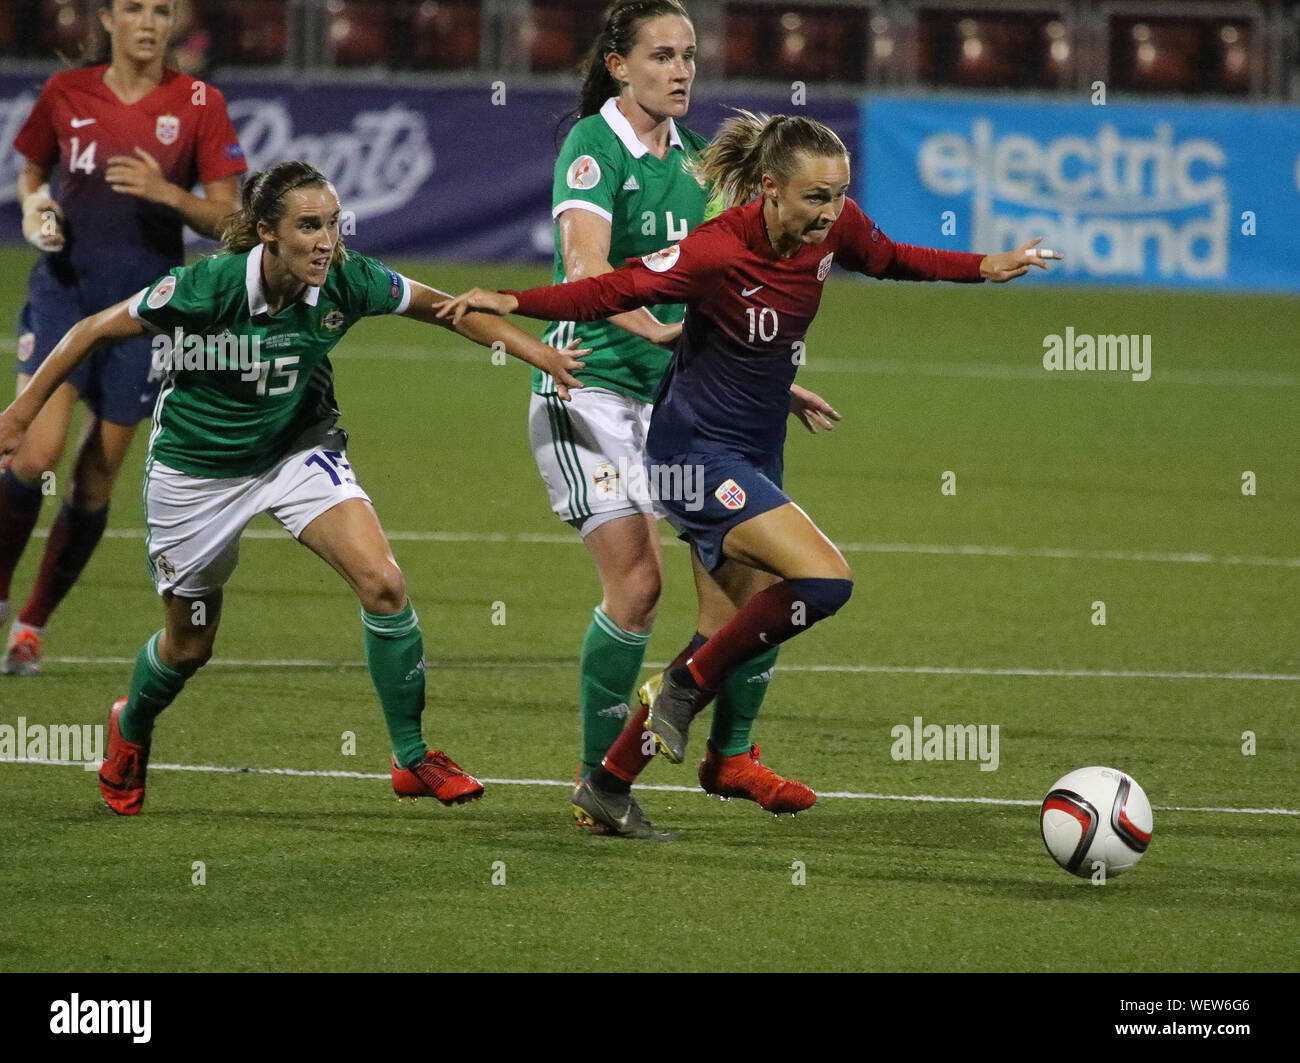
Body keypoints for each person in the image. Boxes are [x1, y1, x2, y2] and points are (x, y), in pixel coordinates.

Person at [437, 111, 1062, 837]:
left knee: (722, 629)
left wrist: (982, 266)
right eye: (814, 198)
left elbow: (888, 255)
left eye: (839, 195)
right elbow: (614, 288)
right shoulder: (717, 247)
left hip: (754, 449)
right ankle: (682, 689)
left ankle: (608, 784)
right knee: (826, 580)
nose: (830, 214)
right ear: (768, 189)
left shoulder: (837, 228)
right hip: (691, 456)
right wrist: (514, 300)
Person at [0, 160, 588, 815]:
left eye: (333, 224)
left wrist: (537, 353)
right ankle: (131, 723)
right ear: (266, 235)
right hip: (197, 474)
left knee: (384, 584)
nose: (326, 241)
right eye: (309, 226)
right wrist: (20, 414)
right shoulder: (206, 287)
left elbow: (447, 310)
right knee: (190, 644)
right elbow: (89, 330)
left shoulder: (346, 278)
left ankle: (410, 754)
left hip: (295, 451)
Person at [534, 0, 838, 832]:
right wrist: (664, 328)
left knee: (750, 594)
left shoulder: (703, 162)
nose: (680, 71)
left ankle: (730, 756)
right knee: (636, 589)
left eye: (690, 57)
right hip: (587, 393)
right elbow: (586, 268)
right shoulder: (594, 150)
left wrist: (765, 377)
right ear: (617, 64)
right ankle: (597, 778)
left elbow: (735, 287)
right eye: (661, 56)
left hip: (685, 406)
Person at [2, 0, 246, 675]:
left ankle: (32, 624)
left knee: (94, 478)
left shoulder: (200, 101)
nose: (147, 20)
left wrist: (167, 194)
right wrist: (36, 208)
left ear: (171, 23)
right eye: (133, 7)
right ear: (107, 19)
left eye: (160, 10)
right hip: (66, 289)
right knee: (35, 452)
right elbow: (31, 171)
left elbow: (230, 221)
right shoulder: (65, 92)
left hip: (148, 309)